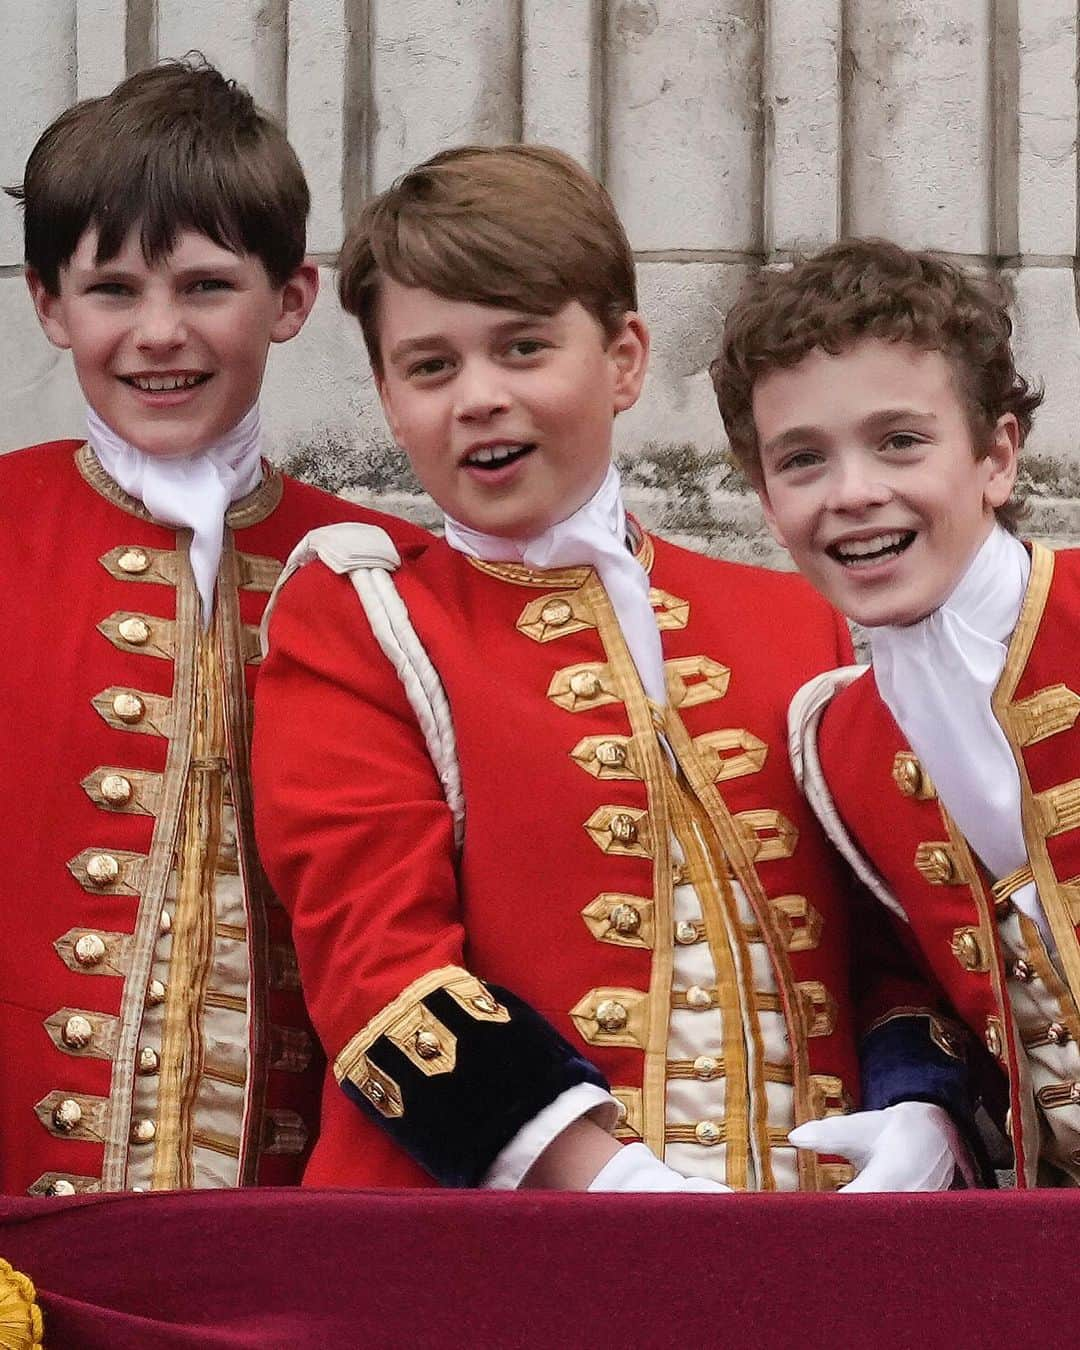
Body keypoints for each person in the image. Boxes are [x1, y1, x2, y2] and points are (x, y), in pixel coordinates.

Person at [253, 149, 976, 1193]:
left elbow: (888, 949)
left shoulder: (794, 617)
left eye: (524, 347)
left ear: (625, 359)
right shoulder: (357, 619)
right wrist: (614, 1185)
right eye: (431, 366)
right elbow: (376, 969)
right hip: (482, 1262)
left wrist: (922, 1108)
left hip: (804, 1248)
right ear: (387, 396)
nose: (480, 398)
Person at [0, 57, 426, 1198]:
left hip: (286, 1238)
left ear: (291, 299)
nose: (157, 333)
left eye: (203, 286)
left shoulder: (391, 574)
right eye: (111, 290)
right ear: (47, 303)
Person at [711, 236, 1073, 1185]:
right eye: (802, 461)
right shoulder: (838, 744)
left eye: (900, 442)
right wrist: (928, 1112)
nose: (856, 493)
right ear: (765, 499)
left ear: (996, 456)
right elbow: (910, 982)